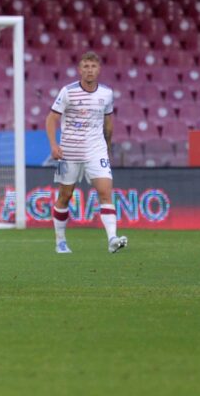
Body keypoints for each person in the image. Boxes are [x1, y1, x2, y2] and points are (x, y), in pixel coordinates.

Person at [45, 51, 128, 254]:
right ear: (79, 69)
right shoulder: (68, 91)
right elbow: (51, 119)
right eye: (86, 66)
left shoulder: (106, 94)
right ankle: (60, 241)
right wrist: (54, 145)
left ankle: (112, 239)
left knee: (105, 192)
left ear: (99, 70)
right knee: (65, 195)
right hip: (70, 152)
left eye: (93, 66)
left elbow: (108, 123)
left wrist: (107, 148)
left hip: (95, 150)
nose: (89, 70)